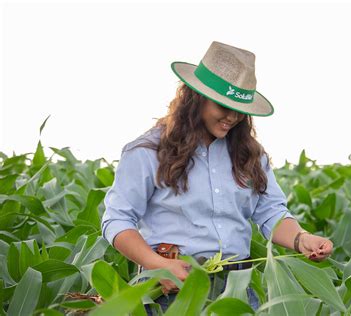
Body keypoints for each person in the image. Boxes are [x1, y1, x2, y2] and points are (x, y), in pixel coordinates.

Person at [100, 41, 333, 313]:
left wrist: (301, 239)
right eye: (223, 106)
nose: (232, 117)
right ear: (195, 97)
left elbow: (270, 212)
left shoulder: (250, 155)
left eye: (239, 109)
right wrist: (157, 264)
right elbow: (117, 219)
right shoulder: (147, 152)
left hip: (238, 291)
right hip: (173, 290)